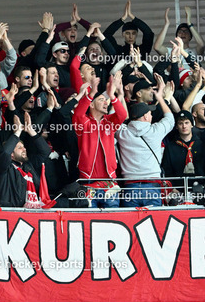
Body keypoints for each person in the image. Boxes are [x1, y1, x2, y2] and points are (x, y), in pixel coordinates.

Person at [116, 75, 175, 207]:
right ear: (145, 117)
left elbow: (113, 120)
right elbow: (170, 119)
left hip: (130, 186)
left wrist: (119, 96)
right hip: (152, 186)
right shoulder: (155, 131)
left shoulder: (123, 133)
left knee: (131, 220)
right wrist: (160, 98)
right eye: (149, 113)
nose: (151, 115)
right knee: (153, 218)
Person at [72, 75, 127, 208]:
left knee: (112, 218)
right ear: (91, 104)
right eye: (101, 100)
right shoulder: (84, 123)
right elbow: (78, 114)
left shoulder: (109, 122)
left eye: (106, 101)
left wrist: (112, 96)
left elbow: (123, 115)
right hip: (88, 183)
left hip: (109, 183)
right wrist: (91, 93)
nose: (105, 103)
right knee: (90, 219)